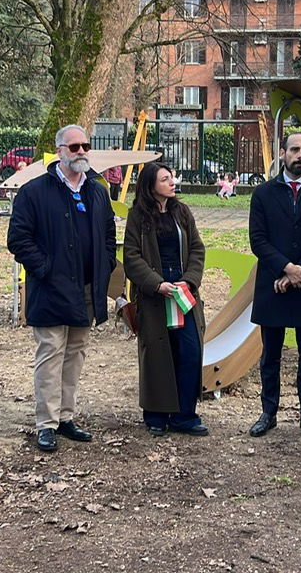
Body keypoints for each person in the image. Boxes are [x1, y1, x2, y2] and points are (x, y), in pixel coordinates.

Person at [7, 124, 117, 452]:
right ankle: (47, 422)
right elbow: (18, 239)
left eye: (85, 146)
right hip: (50, 288)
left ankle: (66, 417)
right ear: (59, 151)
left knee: (76, 353)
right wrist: (45, 269)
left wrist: (105, 264)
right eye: (74, 147)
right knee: (51, 353)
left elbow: (108, 232)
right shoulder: (34, 191)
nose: (81, 151)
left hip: (86, 287)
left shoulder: (97, 190)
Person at [247, 133, 301, 440]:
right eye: (295, 149)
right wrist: (286, 268)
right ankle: (268, 412)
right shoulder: (263, 193)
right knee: (270, 354)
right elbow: (258, 240)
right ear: (282, 153)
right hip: (274, 284)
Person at [122, 163, 208, 436]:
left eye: (172, 178)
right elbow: (131, 256)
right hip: (155, 296)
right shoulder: (138, 216)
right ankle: (156, 415)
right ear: (150, 186)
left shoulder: (182, 212)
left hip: (183, 293)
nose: (172, 182)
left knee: (190, 350)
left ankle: (184, 415)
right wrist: (156, 284)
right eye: (165, 179)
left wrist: (190, 280)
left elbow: (197, 248)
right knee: (158, 355)